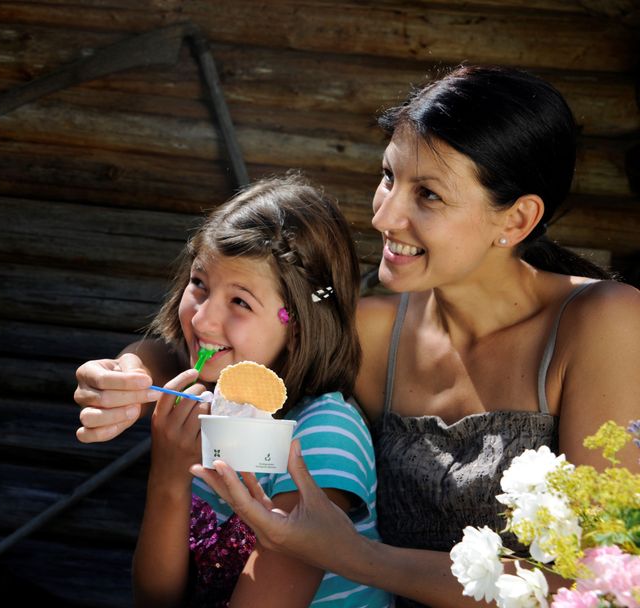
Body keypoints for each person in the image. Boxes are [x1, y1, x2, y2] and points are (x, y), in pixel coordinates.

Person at [75, 65, 640, 607]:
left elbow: (597, 579)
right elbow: (216, 348)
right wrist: (130, 374)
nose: (385, 216)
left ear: (515, 221)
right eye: (390, 176)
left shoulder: (602, 323)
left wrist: (354, 556)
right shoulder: (374, 331)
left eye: (429, 195)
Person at [130, 175, 391, 607]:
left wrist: (173, 469)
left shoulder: (323, 436)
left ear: (300, 324)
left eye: (240, 302)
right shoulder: (205, 400)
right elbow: (153, 599)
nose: (201, 321)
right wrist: (169, 473)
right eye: (199, 283)